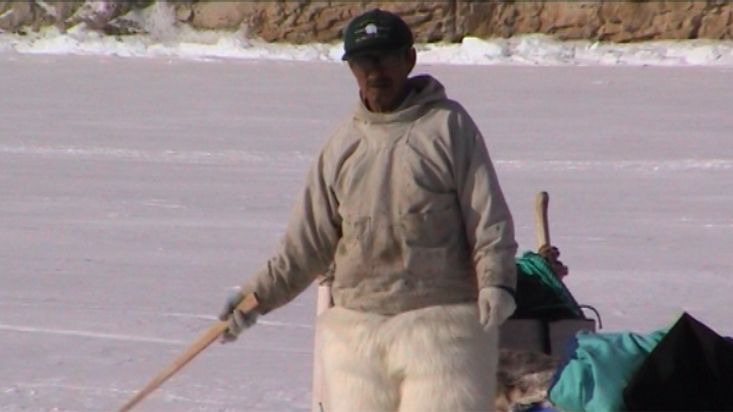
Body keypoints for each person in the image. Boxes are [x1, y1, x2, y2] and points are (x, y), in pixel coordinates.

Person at [218, 8, 518, 412]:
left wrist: (496, 282)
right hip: (358, 333)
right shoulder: (341, 146)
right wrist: (253, 299)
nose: (374, 71)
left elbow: (488, 219)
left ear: (409, 59)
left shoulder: (449, 127)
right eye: (363, 61)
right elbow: (304, 248)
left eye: (385, 57)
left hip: (443, 329)